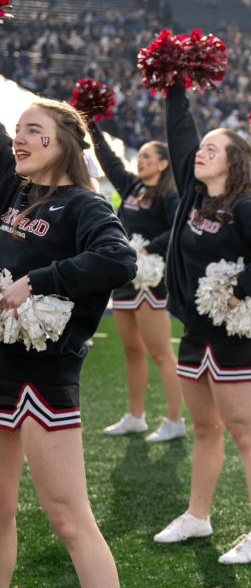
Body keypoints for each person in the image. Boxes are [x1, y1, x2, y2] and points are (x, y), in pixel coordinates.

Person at [152, 84, 251, 564]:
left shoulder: (247, 208)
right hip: (196, 335)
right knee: (203, 427)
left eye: (212, 149)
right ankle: (198, 516)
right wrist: (175, 88)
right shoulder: (193, 197)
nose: (201, 153)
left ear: (233, 164)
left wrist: (242, 287)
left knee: (245, 431)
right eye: (202, 148)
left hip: (233, 339)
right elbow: (180, 138)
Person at [0, 101, 137, 587]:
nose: (18, 137)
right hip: (0, 366)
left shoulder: (85, 205)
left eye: (32, 130)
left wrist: (38, 280)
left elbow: (119, 261)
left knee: (68, 519)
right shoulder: (12, 187)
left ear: (61, 144)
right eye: (16, 129)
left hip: (44, 377)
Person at [90, 123, 185, 443]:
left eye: (147, 157)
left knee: (160, 353)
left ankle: (175, 419)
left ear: (162, 163)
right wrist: (91, 125)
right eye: (140, 156)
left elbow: (177, 230)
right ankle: (135, 416)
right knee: (131, 349)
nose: (141, 161)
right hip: (125, 277)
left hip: (150, 279)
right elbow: (110, 162)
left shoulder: (168, 195)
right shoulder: (130, 187)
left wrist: (149, 248)